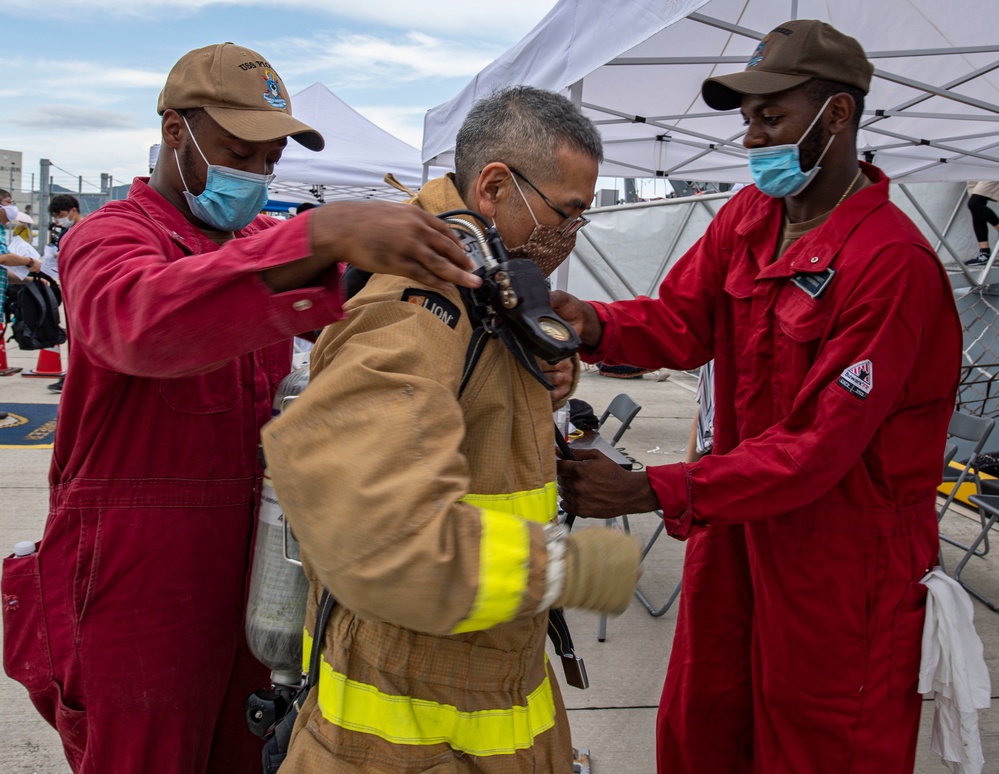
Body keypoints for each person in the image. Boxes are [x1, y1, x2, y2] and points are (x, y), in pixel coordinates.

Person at [2, 42, 480, 774]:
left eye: (270, 160)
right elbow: (134, 322)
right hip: (137, 573)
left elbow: (373, 317)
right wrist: (320, 235)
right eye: (238, 151)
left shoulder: (262, 240)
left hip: (259, 566)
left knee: (252, 750)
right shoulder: (111, 235)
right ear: (173, 132)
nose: (257, 174)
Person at [553, 20, 962, 774]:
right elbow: (679, 321)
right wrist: (589, 324)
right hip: (738, 529)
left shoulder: (891, 265)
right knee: (706, 725)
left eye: (769, 117)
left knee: (823, 746)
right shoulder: (748, 221)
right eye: (746, 119)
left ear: (835, 115)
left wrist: (649, 489)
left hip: (841, 566)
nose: (748, 139)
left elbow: (816, 450)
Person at [261, 86, 642, 773]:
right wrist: (567, 568)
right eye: (568, 212)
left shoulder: (479, 279)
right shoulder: (414, 305)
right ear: (495, 186)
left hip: (482, 696)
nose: (571, 233)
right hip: (407, 732)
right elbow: (378, 531)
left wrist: (550, 373)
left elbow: (475, 403)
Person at [43, 194, 84, 393]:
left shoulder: (87, 229)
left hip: (83, 291)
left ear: (73, 211)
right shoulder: (64, 232)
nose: (58, 220)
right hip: (70, 289)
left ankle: (75, 378)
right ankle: (72, 376)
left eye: (60, 215)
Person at [965, 180, 999, 266]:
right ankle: (985, 252)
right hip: (972, 171)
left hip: (990, 169)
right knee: (975, 210)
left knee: (974, 203)